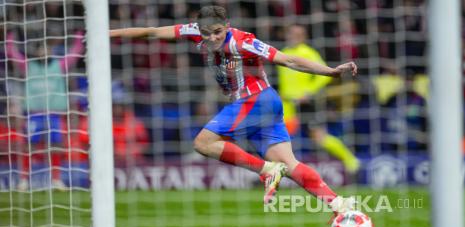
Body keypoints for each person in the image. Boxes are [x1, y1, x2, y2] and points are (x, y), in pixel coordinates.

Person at [110, 5, 357, 213]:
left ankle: (266, 170)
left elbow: (288, 59)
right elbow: (151, 32)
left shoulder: (243, 41)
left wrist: (330, 71)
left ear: (226, 25)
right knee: (290, 164)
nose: (213, 38)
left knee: (203, 143)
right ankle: (341, 206)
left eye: (218, 32)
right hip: (262, 105)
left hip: (255, 100)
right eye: (207, 34)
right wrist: (107, 33)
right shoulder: (194, 32)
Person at [6, 30, 85, 190]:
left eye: (46, 49)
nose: (44, 52)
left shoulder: (59, 65)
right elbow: (12, 54)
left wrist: (78, 37)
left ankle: (56, 179)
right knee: (28, 146)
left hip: (54, 115)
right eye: (41, 49)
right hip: (34, 115)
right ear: (36, 51)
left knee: (56, 145)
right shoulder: (29, 66)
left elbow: (75, 54)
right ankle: (24, 180)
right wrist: (10, 38)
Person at [277, 24, 360, 174]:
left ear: (304, 37)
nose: (293, 37)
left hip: (305, 103)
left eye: (298, 34)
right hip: (286, 103)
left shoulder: (308, 52)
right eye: (291, 33)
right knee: (280, 137)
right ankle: (277, 170)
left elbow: (324, 78)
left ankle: (351, 161)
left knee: (318, 136)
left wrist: (308, 92)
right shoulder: (283, 52)